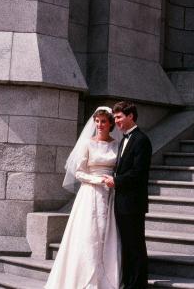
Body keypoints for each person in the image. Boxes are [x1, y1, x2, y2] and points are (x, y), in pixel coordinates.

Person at [45, 107, 122, 289]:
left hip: (110, 194)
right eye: (97, 121)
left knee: (107, 232)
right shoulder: (87, 144)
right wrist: (98, 180)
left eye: (104, 121)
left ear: (111, 123)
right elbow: (79, 172)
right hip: (90, 193)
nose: (100, 125)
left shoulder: (117, 145)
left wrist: (112, 182)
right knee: (89, 234)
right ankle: (85, 277)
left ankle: (105, 276)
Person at [103, 101, 152, 289]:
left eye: (119, 117)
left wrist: (116, 181)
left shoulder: (141, 140)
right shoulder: (124, 139)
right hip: (122, 202)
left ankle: (138, 285)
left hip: (133, 203)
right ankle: (129, 282)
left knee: (135, 245)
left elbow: (139, 173)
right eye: (115, 118)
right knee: (127, 244)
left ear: (131, 116)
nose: (116, 121)